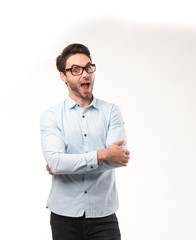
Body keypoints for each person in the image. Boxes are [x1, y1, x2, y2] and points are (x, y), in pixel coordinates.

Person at [40, 43, 130, 240]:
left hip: (104, 215)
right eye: (76, 70)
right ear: (63, 76)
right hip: (64, 216)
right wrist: (103, 154)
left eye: (88, 67)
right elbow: (56, 163)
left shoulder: (111, 112)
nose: (85, 74)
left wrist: (66, 164)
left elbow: (119, 159)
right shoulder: (51, 116)